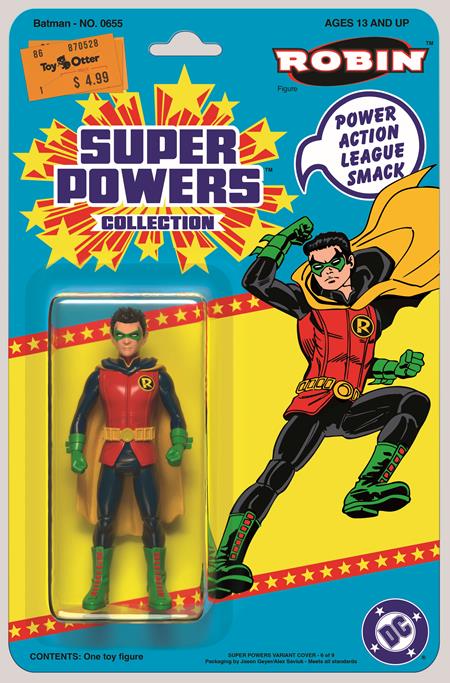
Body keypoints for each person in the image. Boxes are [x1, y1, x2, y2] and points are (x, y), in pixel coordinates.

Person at [210, 168, 438, 599]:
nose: (327, 272)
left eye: (334, 263)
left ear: (349, 261)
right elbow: (256, 282)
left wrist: (395, 369)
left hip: (350, 407)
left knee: (412, 401)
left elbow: (360, 363)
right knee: (276, 475)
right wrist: (283, 239)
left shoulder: (374, 309)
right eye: (317, 266)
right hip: (314, 405)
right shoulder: (305, 303)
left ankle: (366, 487)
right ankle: (226, 560)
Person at [66, 306, 192, 611]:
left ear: (144, 336)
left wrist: (178, 445)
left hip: (145, 456)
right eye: (120, 335)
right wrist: (76, 450)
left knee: (152, 519)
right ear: (112, 337)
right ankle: (99, 586)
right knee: (104, 520)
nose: (126, 340)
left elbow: (176, 414)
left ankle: (157, 586)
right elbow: (81, 415)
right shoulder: (100, 376)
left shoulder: (157, 376)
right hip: (111, 455)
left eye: (133, 334)